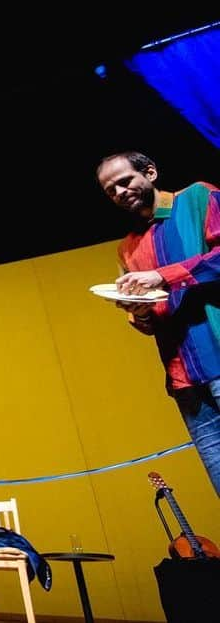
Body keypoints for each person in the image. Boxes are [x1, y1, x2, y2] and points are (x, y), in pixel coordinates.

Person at [95, 151, 219, 495]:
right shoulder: (127, 249)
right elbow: (149, 321)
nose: (119, 192)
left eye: (125, 181)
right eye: (110, 190)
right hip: (186, 383)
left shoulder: (198, 197)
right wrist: (139, 311)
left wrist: (162, 277)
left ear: (149, 172)